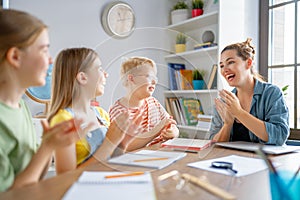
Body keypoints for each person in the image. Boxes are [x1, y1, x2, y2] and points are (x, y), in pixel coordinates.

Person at [0, 9, 94, 192]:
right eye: (44, 50)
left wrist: (51, 145)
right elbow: (11, 195)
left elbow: (33, 179)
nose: (51, 60)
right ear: (15, 57)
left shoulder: (21, 108)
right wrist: (47, 146)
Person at [48, 48, 141, 174]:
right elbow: (65, 177)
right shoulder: (63, 120)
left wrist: (122, 143)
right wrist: (110, 142)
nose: (106, 74)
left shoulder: (101, 114)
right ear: (82, 77)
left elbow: (110, 158)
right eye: (100, 69)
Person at [209, 38, 289, 146]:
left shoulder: (271, 93)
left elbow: (279, 136)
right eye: (222, 65)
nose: (224, 69)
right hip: (233, 160)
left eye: (230, 62)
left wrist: (239, 113)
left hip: (266, 161)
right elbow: (214, 144)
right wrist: (227, 124)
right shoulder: (224, 101)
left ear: (248, 63)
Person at [109, 56, 179, 152]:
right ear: (132, 79)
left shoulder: (153, 102)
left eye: (155, 78)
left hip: (160, 153)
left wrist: (173, 132)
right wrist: (156, 131)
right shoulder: (118, 111)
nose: (154, 82)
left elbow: (170, 124)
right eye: (149, 76)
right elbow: (125, 146)